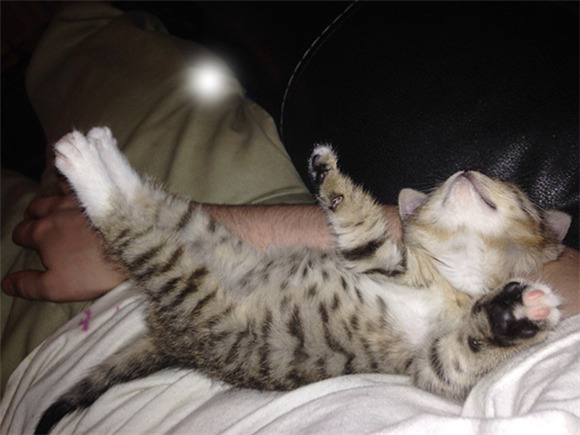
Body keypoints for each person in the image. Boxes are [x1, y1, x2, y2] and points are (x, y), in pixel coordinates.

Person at [1, 2, 578, 396]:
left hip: (67, 357)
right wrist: (342, 196)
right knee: (85, 53)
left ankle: (104, 178)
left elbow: (443, 370)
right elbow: (375, 249)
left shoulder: (475, 314)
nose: (468, 173)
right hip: (220, 273)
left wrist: (496, 328)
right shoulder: (434, 271)